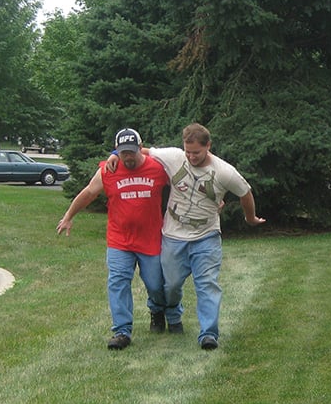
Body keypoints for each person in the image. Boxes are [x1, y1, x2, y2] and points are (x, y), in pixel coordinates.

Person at [108, 123, 265, 350]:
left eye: (196, 153)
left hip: (206, 235)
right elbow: (141, 150)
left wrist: (250, 218)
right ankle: (172, 315)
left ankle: (208, 334)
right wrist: (115, 154)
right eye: (188, 151)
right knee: (170, 285)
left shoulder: (224, 171)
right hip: (174, 235)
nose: (191, 157)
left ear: (208, 146)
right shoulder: (174, 156)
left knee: (207, 284)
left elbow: (245, 192)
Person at [57, 128, 170, 350]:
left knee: (155, 284)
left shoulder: (158, 168)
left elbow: (183, 183)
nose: (128, 157)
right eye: (123, 152)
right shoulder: (109, 170)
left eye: (131, 152)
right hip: (120, 240)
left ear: (140, 148)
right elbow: (89, 192)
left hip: (150, 239)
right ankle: (122, 331)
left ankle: (157, 310)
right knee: (118, 282)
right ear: (117, 151)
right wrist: (69, 216)